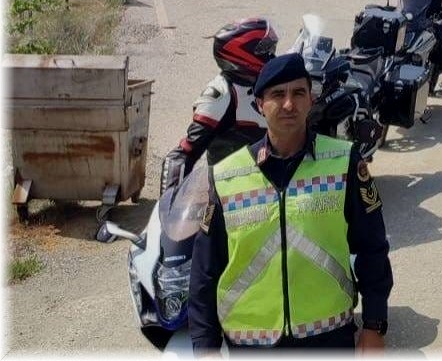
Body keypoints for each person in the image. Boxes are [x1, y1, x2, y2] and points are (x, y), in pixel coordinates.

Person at [189, 53, 394, 352]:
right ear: (260, 104)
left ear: (310, 100)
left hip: (328, 337)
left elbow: (372, 247)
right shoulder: (227, 176)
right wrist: (204, 347)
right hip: (251, 345)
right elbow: (205, 270)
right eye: (277, 94)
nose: (289, 104)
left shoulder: (343, 162)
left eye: (298, 93)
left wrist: (375, 325)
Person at [160, 18, 277, 194]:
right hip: (232, 195)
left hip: (268, 185)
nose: (272, 56)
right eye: (266, 50)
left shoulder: (260, 85)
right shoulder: (222, 94)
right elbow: (181, 155)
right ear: (245, 55)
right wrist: (167, 210)